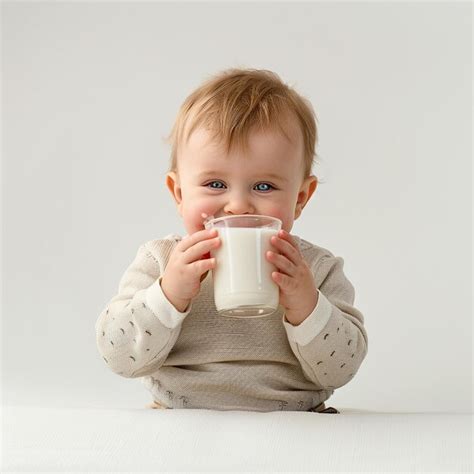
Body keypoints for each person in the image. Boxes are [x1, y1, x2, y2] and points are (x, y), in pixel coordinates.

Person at [95, 68, 368, 413]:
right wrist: (168, 294)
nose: (238, 205)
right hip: (180, 417)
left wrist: (306, 304)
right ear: (179, 193)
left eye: (264, 186)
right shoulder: (161, 261)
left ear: (300, 197)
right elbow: (118, 357)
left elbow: (343, 368)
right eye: (215, 184)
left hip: (295, 421)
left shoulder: (315, 269)